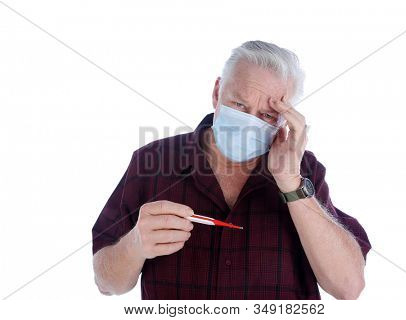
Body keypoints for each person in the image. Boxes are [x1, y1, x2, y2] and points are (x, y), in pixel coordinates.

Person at [91, 40, 371, 299]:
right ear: (217, 92)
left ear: (285, 118)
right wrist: (135, 245)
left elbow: (348, 287)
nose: (249, 121)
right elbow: (106, 282)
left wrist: (291, 183)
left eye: (267, 115)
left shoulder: (304, 170)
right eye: (239, 104)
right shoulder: (151, 161)